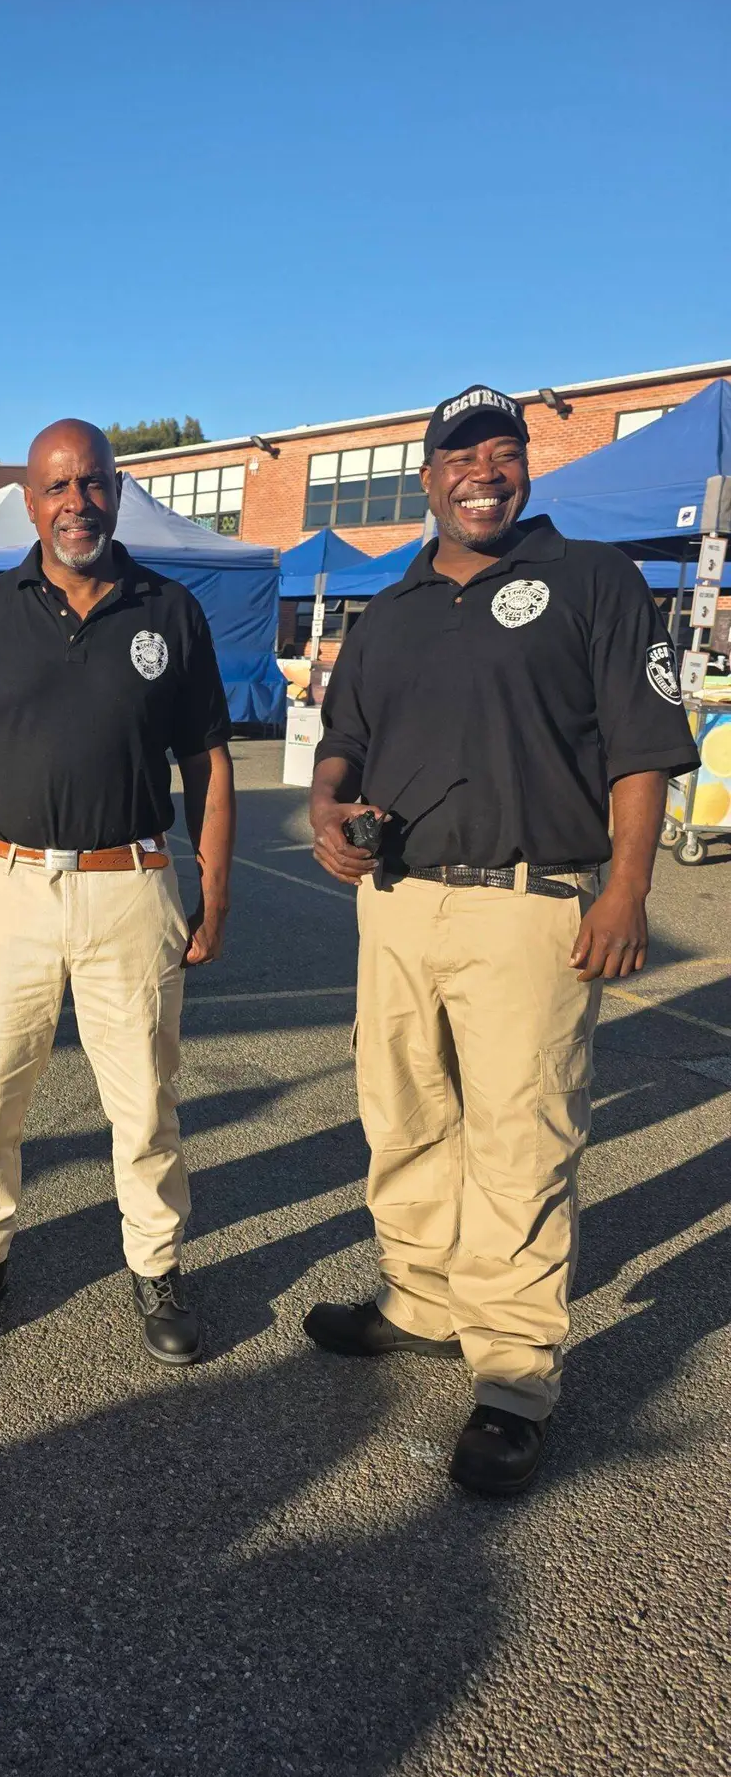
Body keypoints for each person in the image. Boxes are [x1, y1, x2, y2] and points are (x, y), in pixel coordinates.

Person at [304, 383, 699, 1496]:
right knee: (404, 1113)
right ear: (427, 479)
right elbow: (344, 742)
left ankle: (516, 1378)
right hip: (398, 903)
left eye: (502, 452)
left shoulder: (593, 582)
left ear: (526, 467)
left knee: (523, 1133)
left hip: (534, 903)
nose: (483, 471)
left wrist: (628, 891)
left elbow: (641, 749)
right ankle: (423, 1301)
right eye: (460, 456)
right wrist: (330, 808)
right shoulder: (394, 607)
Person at [0, 419, 236, 1364]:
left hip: (131, 887)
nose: (76, 504)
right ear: (29, 501)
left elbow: (208, 765)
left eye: (91, 484)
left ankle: (157, 1263)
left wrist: (216, 893)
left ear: (117, 492)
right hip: (7, 886)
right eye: (56, 488)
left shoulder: (169, 609)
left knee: (144, 1101)